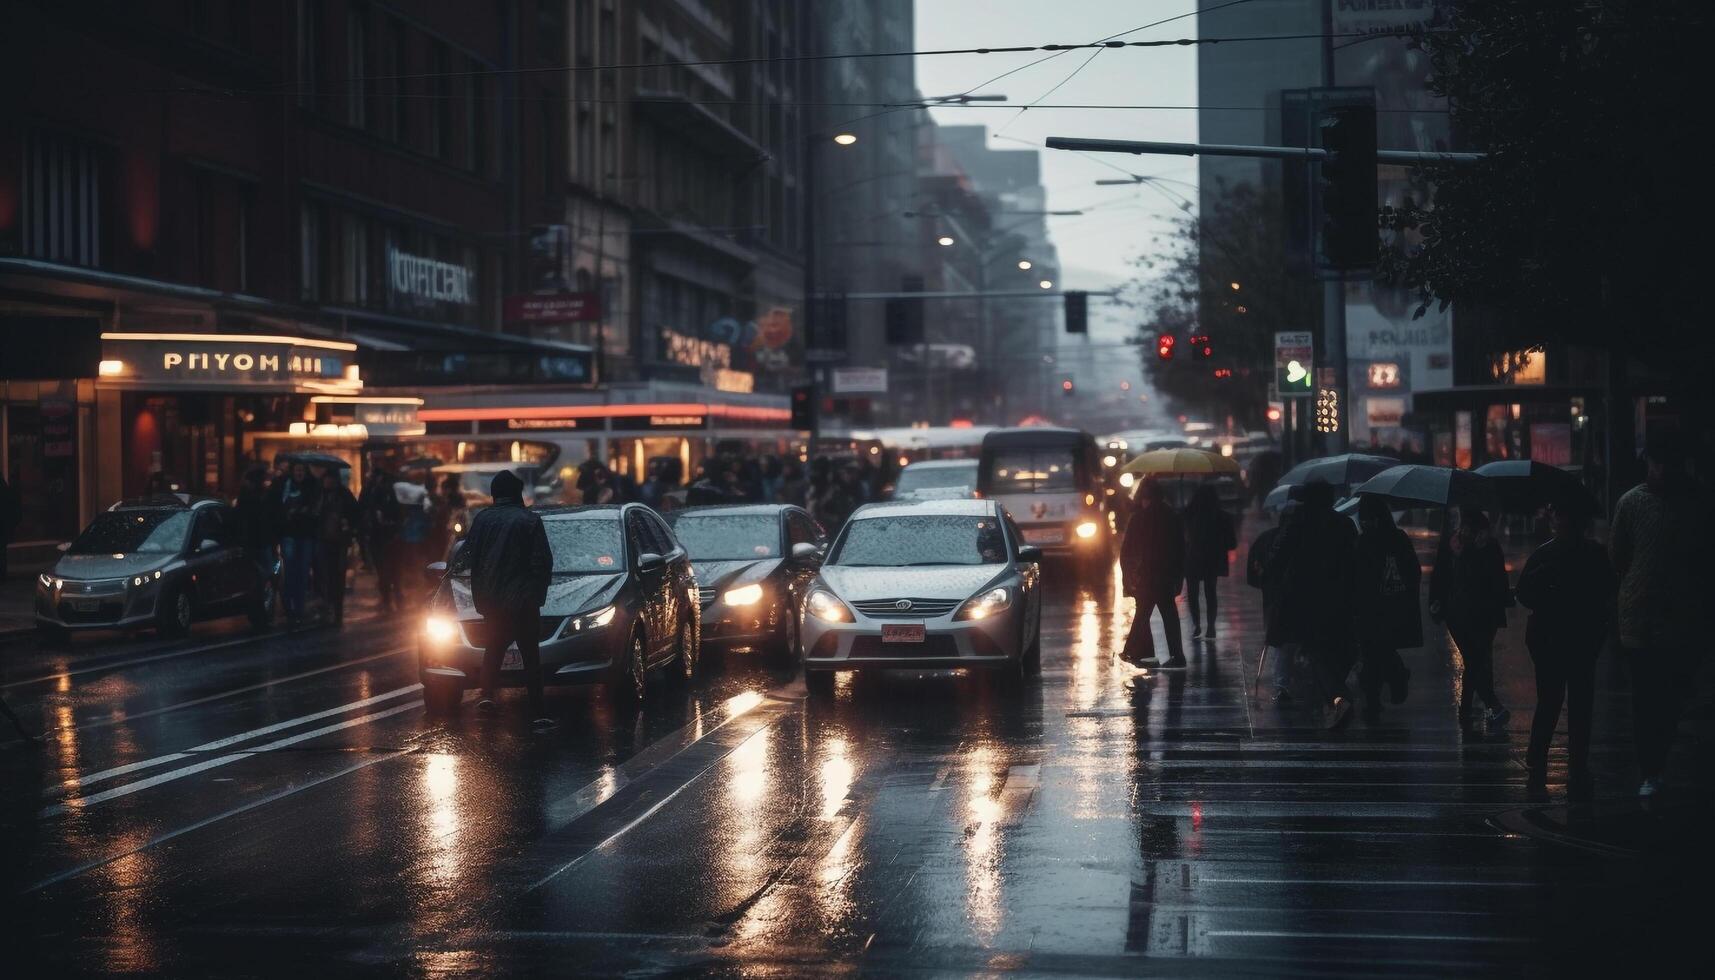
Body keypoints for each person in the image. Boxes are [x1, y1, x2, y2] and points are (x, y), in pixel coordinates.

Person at [1610, 434, 1703, 798]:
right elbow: (1617, 556)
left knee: (1671, 695)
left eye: (1666, 464)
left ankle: (1656, 763)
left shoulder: (1696, 503)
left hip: (1682, 617)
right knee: (1646, 697)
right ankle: (1651, 768)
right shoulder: (1632, 503)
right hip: (1640, 619)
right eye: (1655, 463)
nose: (1660, 470)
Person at [1516, 493, 1614, 800]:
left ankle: (1538, 755)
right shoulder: (1595, 554)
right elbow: (1606, 596)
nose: (1552, 518)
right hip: (1582, 640)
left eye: (1555, 513)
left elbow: (1524, 594)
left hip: (1552, 640)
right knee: (1580, 704)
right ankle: (1577, 765)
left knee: (1550, 700)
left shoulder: (1545, 555)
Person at [463, 470, 554, 730]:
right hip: (524, 600)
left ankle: (488, 695)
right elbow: (542, 561)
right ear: (517, 493)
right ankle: (537, 709)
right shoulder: (529, 520)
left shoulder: (482, 520)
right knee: (531, 656)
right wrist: (537, 593)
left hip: (492, 599)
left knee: (493, 649)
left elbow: (469, 557)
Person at [1266, 481, 1358, 728]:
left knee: (1315, 651)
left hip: (1302, 597)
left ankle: (1338, 698)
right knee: (1331, 648)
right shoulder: (1344, 524)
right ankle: (1334, 699)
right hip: (1338, 597)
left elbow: (1278, 557)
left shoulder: (1297, 523)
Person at [1430, 506, 1511, 732]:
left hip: (1473, 613)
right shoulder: (1455, 544)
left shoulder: (1479, 546)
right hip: (1464, 613)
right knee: (1475, 659)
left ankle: (1468, 709)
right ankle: (1491, 705)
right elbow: (1441, 575)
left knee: (1475, 660)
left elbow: (1494, 579)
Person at [1352, 495, 1420, 724]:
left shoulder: (1364, 542)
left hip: (1372, 608)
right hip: (1394, 606)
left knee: (1373, 653)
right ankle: (1387, 686)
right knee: (1380, 650)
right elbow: (1413, 571)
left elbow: (1356, 579)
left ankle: (1377, 697)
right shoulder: (1398, 538)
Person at [1120, 478, 1186, 669]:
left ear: (1144, 497)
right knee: (1169, 616)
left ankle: (1131, 650)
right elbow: (1181, 549)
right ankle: (1177, 655)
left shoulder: (1139, 518)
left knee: (1142, 614)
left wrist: (1129, 575)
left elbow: (1127, 551)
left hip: (1147, 575)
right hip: (1166, 575)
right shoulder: (1172, 516)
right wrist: (1179, 576)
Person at [1247, 503, 1297, 702]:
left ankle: (1282, 684)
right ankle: (1284, 683)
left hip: (1273, 600)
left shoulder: (1267, 539)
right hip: (1293, 598)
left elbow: (1254, 571)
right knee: (1290, 643)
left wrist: (1263, 580)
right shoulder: (1304, 540)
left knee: (1279, 642)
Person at [1182, 484, 1237, 640]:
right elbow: (1232, 543)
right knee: (1210, 593)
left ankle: (1196, 624)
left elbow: (1180, 538)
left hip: (1192, 559)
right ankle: (1211, 627)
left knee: (1192, 594)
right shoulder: (1223, 517)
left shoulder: (1187, 515)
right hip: (1212, 560)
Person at [274, 462, 321, 626]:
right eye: (297, 470)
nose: (299, 473)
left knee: (301, 572)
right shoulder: (285, 486)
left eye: (302, 470)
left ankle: (298, 607)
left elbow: (315, 510)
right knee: (291, 572)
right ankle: (290, 607)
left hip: (304, 534)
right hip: (290, 533)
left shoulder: (312, 487)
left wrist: (304, 512)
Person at [315, 470, 359, 626]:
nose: (327, 482)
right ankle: (329, 607)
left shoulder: (343, 495)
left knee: (337, 577)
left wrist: (348, 525)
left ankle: (337, 611)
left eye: (330, 479)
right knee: (325, 575)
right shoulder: (320, 495)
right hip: (324, 540)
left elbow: (355, 513)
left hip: (339, 541)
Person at [235, 466, 277, 624]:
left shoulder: (246, 496)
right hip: (261, 541)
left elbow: (240, 519)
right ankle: (263, 609)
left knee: (256, 577)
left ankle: (259, 609)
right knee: (264, 576)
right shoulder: (263, 496)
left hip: (252, 542)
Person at [362, 468, 404, 612]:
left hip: (384, 536)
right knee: (390, 569)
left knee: (387, 569)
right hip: (382, 536)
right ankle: (392, 598)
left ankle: (391, 598)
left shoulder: (379, 492)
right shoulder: (377, 491)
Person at [0, 468, 21, 580]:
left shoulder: (6, 492)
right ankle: (2, 574)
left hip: (3, 526)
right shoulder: (7, 491)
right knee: (2, 551)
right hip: (5, 527)